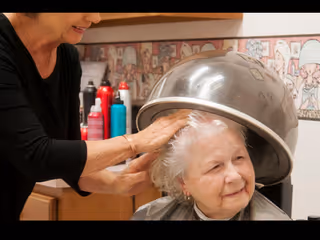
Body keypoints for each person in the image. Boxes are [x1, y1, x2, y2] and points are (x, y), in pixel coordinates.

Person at [0, 12, 190, 221]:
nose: (95, 17)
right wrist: (134, 142)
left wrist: (117, 183)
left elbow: (66, 156)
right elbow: (35, 156)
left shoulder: (66, 58)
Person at [131, 110, 291, 220]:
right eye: (215, 167)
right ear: (183, 183)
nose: (235, 176)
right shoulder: (150, 215)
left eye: (239, 158)